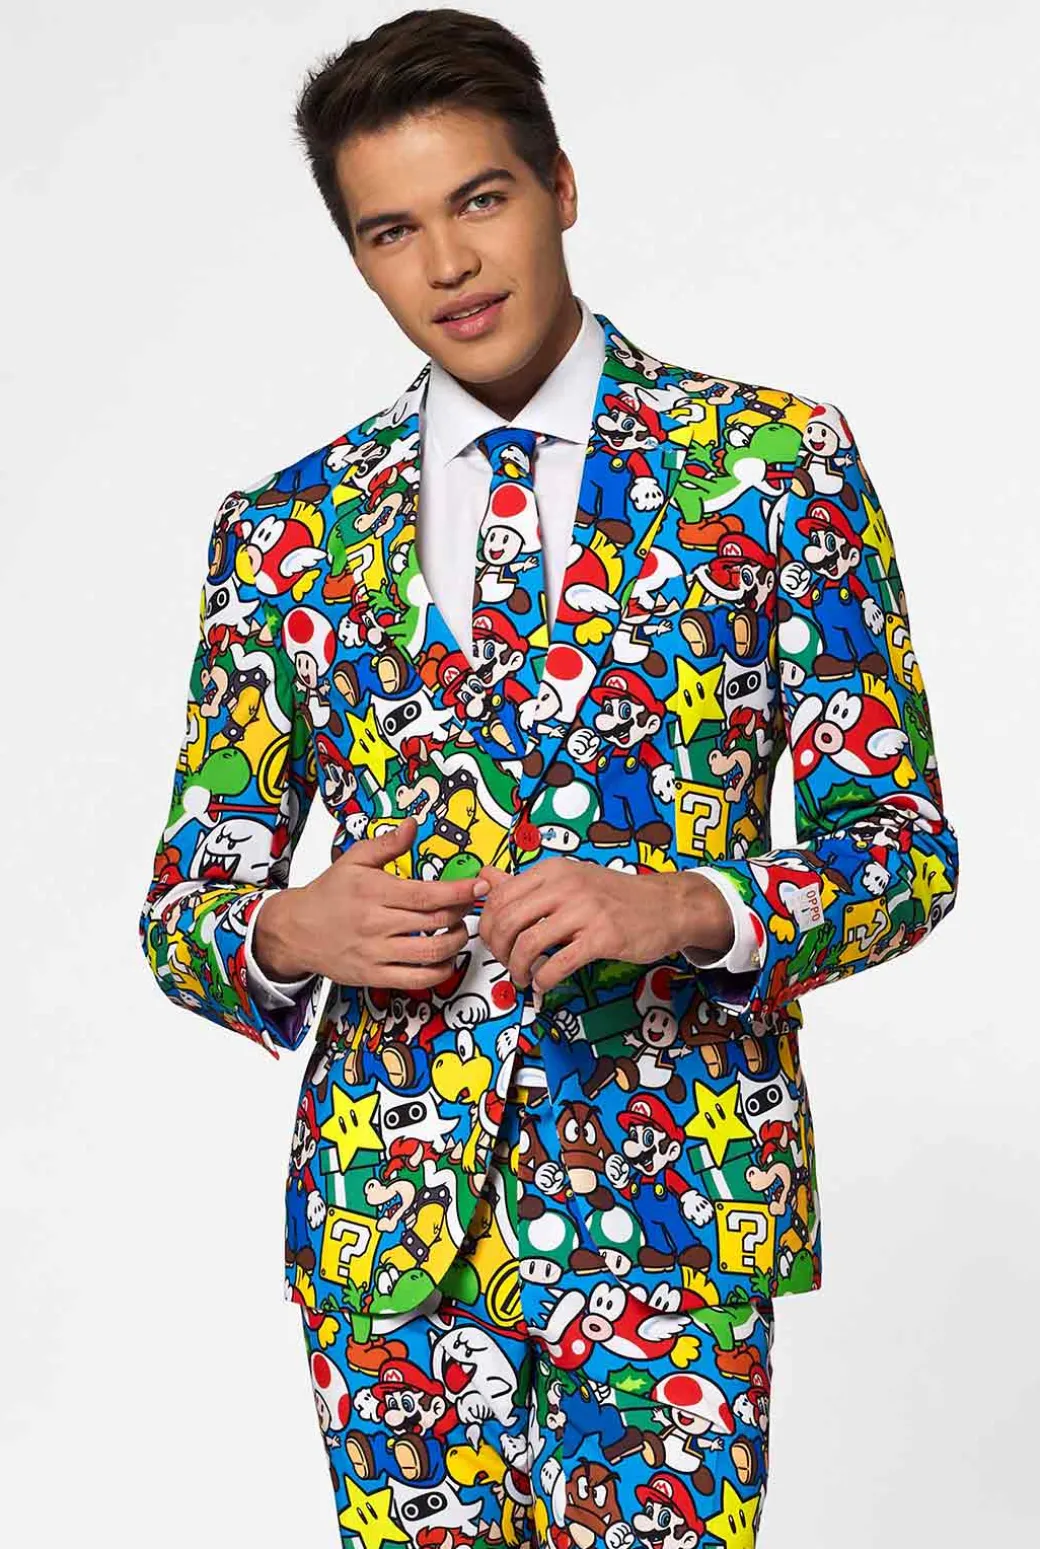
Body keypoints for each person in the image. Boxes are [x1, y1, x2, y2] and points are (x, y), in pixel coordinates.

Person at [137, 9, 960, 1546]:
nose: (448, 264)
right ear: (357, 257)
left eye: (481, 200)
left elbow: (903, 848)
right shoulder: (285, 532)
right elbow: (187, 904)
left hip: (672, 1217)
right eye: (392, 231)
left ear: (561, 187)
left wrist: (691, 905)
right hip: (389, 1235)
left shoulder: (770, 467)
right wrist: (286, 930)